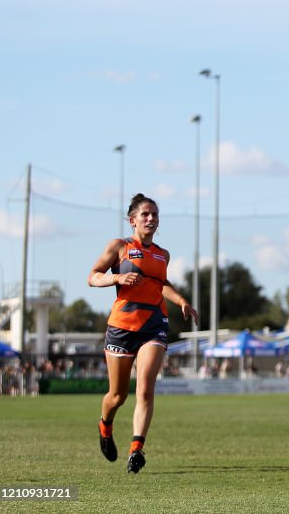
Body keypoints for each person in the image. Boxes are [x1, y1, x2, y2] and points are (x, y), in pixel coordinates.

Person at [88, 193, 198, 473]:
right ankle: (105, 426)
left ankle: (137, 449)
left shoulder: (163, 254)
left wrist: (182, 301)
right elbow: (93, 276)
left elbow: (161, 284)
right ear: (133, 220)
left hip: (154, 324)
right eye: (145, 215)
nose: (151, 219)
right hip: (122, 327)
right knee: (118, 395)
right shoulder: (119, 247)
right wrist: (116, 277)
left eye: (155, 215)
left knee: (146, 388)